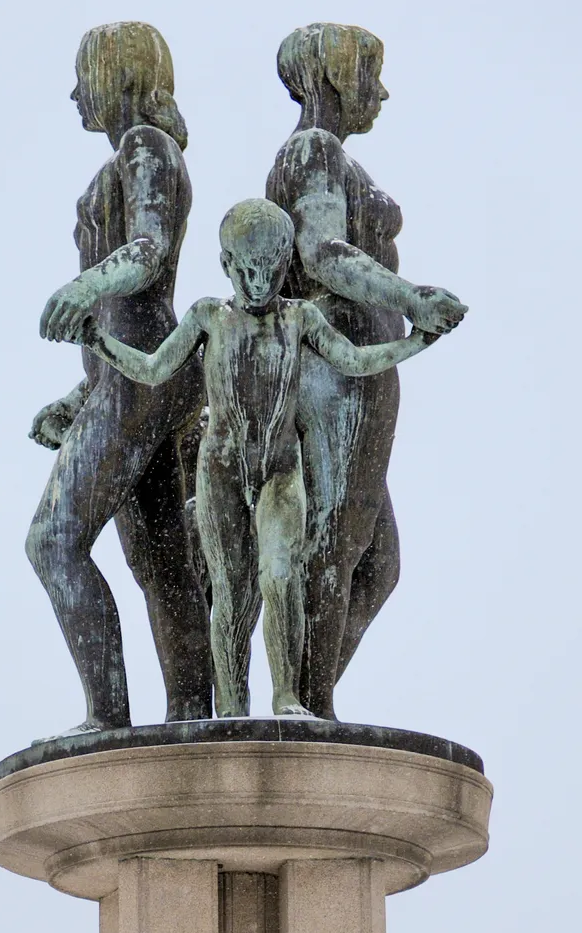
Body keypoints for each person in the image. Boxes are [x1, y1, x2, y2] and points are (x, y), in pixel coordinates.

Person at [53, 199, 459, 719]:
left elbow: (356, 362)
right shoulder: (208, 316)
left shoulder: (300, 317)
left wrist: (417, 340)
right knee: (231, 591)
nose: (259, 282)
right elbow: (154, 371)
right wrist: (98, 341)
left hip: (279, 471)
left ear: (286, 260)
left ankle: (286, 696)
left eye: (270, 269)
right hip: (221, 471)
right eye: (246, 271)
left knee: (279, 572)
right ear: (226, 265)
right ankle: (233, 707)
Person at [266, 23, 466, 717]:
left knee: (374, 562)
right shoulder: (313, 150)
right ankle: (308, 705)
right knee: (341, 542)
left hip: (363, 369)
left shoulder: (332, 158)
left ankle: (306, 696)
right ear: (329, 77)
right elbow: (320, 252)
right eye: (368, 75)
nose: (379, 92)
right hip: (337, 371)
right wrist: (412, 298)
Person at [26, 22, 210, 734]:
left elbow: (148, 249)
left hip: (141, 375)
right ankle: (193, 711)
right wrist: (79, 398)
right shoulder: (125, 160)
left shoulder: (145, 146)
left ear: (119, 76)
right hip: (133, 376)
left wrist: (82, 288)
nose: (77, 93)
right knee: (161, 560)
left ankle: (108, 715)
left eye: (86, 75)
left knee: (54, 541)